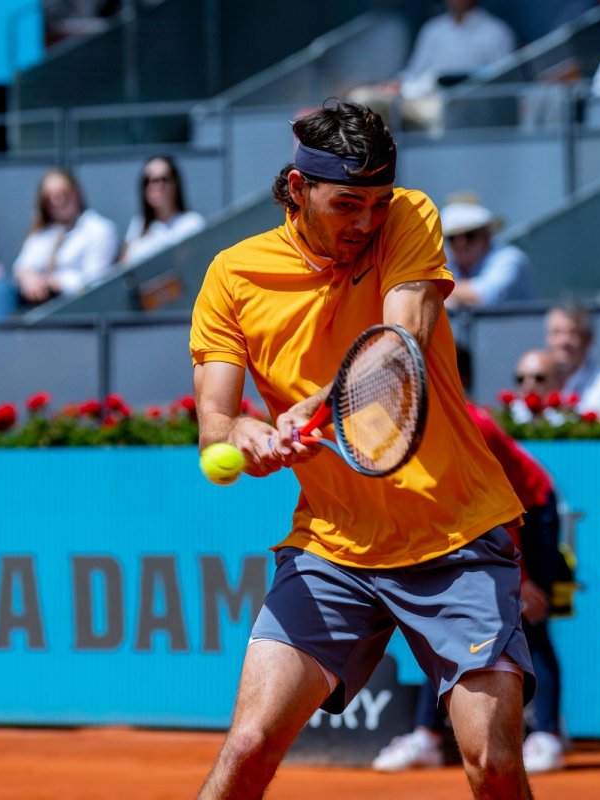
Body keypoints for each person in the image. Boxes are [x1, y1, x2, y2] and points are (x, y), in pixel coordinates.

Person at [190, 101, 535, 799]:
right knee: (249, 747)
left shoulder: (409, 216)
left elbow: (397, 346)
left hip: (455, 532)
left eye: (376, 203)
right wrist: (249, 436)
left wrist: (310, 410)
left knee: (492, 767)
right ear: (297, 189)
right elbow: (215, 427)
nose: (366, 222)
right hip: (333, 548)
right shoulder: (233, 275)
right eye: (347, 204)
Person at [372, 345, 567, 776]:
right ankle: (427, 737)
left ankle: (549, 736)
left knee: (529, 621)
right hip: (472, 522)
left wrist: (523, 578)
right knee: (441, 629)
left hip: (529, 511)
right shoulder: (401, 425)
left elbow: (503, 508)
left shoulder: (472, 426)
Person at [347, 0, 516, 130]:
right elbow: (414, 72)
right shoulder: (433, 29)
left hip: (460, 106)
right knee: (362, 98)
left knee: (442, 115)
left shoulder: (497, 32)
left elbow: (499, 81)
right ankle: (366, 168)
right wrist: (397, 84)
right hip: (417, 99)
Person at [0, 168, 118, 319]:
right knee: (1, 288)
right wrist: (29, 278)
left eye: (64, 194)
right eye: (49, 197)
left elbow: (96, 282)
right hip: (36, 296)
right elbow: (22, 265)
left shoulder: (98, 228)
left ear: (77, 192)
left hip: (72, 301)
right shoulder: (43, 232)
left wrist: (54, 282)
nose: (58, 201)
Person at [442, 193, 532, 309]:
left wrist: (435, 289)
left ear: (486, 236)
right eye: (452, 238)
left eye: (469, 235)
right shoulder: (445, 260)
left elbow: (488, 297)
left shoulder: (509, 258)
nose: (460, 244)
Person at [119, 155, 205, 266]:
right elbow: (123, 267)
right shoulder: (138, 223)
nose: (156, 186)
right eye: (148, 180)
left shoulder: (192, 223)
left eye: (163, 179)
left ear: (176, 184)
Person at [545, 304, 600, 414]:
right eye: (556, 332)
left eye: (572, 333)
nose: (563, 341)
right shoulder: (533, 380)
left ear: (589, 339)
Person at [509, 348, 567, 425]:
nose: (528, 386)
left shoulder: (571, 422)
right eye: (521, 379)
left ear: (558, 382)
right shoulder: (505, 422)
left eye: (539, 378)